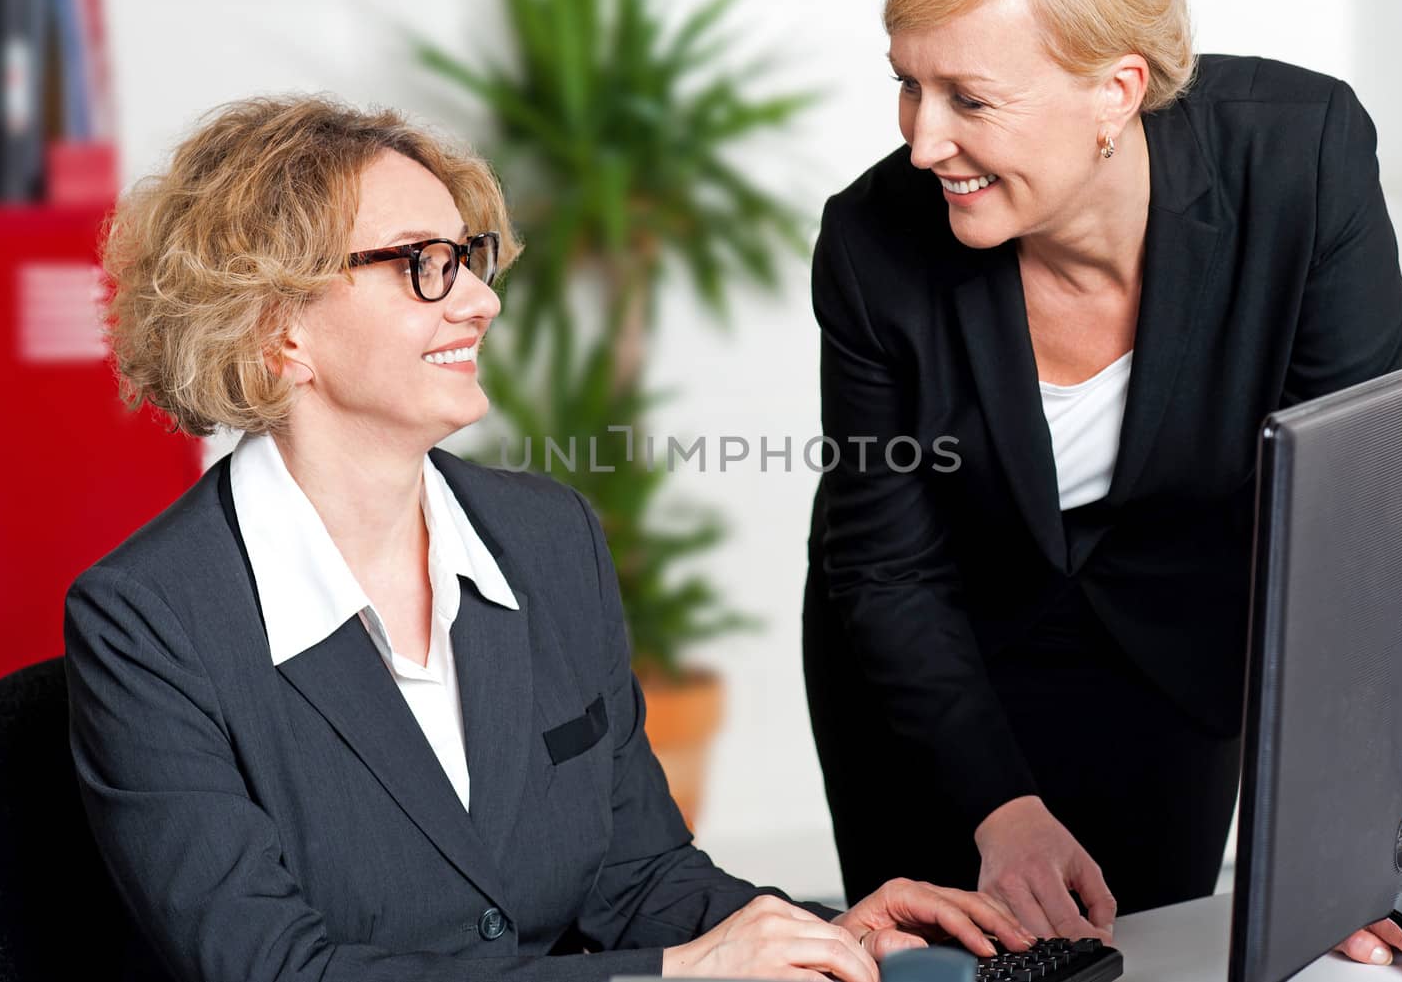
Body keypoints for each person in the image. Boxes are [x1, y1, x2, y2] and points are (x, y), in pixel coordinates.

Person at [65, 95, 1032, 982]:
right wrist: (672, 977)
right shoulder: (149, 620)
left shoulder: (545, 536)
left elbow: (636, 874)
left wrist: (821, 931)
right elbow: (274, 973)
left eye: (468, 256)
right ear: (279, 327)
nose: (480, 300)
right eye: (421, 265)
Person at [800, 0, 1402, 968]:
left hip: (1176, 652)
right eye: (908, 84)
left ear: (1115, 92)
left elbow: (1347, 531)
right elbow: (886, 565)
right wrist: (998, 807)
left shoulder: (1299, 158)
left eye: (969, 100)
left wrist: (1348, 855)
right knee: (943, 962)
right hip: (930, 671)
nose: (923, 140)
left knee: (1151, 949)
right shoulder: (870, 242)